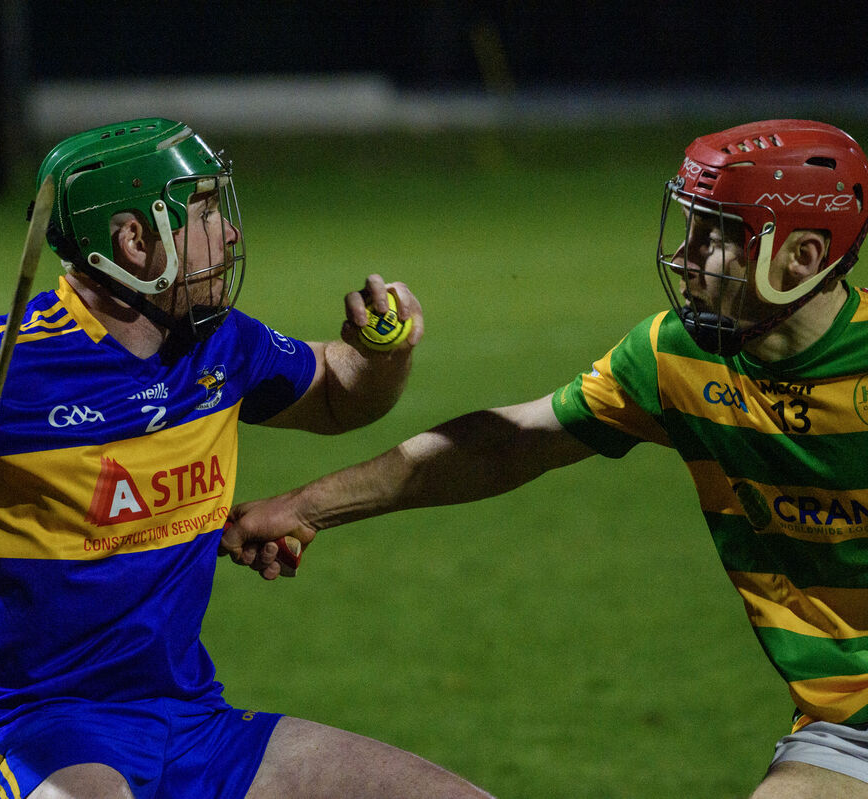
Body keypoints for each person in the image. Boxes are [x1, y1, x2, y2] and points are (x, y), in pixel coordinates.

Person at [0, 118, 493, 799]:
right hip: (34, 730)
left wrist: (382, 354)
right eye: (207, 211)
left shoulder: (217, 345)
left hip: (192, 723)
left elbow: (341, 395)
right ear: (134, 240)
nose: (232, 233)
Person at [221, 119, 868, 799]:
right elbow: (505, 443)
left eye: (716, 235)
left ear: (800, 255)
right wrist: (304, 507)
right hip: (844, 726)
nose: (683, 254)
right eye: (691, 226)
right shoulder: (674, 358)